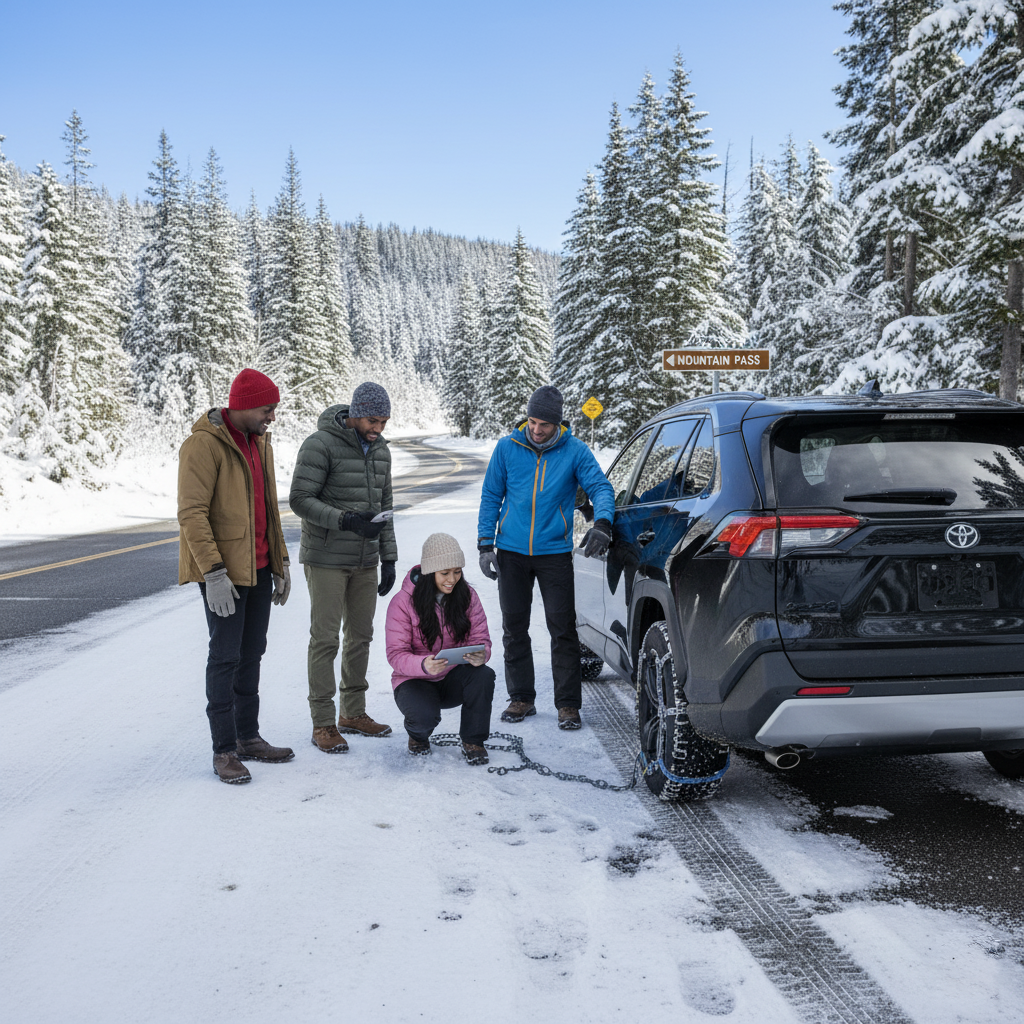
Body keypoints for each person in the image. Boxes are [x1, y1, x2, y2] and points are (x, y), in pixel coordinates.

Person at [177, 368, 294, 785]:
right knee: (225, 657)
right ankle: (224, 750)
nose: (272, 417)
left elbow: (269, 510)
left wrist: (280, 562)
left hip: (259, 568)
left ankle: (248, 737)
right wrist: (212, 572)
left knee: (252, 654)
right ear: (244, 406)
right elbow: (192, 513)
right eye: (267, 409)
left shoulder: (260, 443)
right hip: (225, 573)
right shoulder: (203, 445)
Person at [477, 385, 615, 730]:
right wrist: (484, 545)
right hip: (510, 552)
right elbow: (492, 494)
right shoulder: (507, 448)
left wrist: (603, 523)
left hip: (554, 553)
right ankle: (521, 698)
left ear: (559, 425)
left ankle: (568, 705)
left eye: (545, 425)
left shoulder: (575, 452)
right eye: (533, 422)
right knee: (514, 627)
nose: (537, 430)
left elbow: (601, 487)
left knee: (562, 629)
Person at [289, 382, 398, 753]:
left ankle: (353, 713)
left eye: (383, 421)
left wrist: (389, 557)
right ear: (353, 413)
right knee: (325, 640)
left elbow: (386, 506)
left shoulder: (381, 450)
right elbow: (300, 499)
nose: (377, 429)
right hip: (326, 559)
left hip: (365, 561)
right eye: (372, 420)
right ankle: (322, 722)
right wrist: (346, 520)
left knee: (361, 638)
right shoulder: (319, 444)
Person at [385, 533, 494, 763]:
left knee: (484, 675)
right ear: (429, 572)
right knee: (424, 717)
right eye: (445, 573)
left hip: (452, 676)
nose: (452, 579)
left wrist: (481, 654)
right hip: (414, 680)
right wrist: (423, 665)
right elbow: (395, 654)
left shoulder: (467, 596)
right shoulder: (402, 602)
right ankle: (417, 736)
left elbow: (481, 637)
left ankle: (473, 740)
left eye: (457, 571)